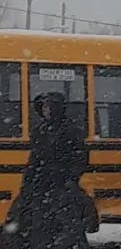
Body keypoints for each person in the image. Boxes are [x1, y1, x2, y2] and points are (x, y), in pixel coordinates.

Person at [3, 92, 97, 249]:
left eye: (49, 107)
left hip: (60, 183)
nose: (46, 110)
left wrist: (69, 178)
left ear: (58, 108)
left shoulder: (72, 131)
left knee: (68, 222)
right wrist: (27, 182)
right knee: (26, 218)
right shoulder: (39, 131)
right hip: (40, 183)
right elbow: (34, 159)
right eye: (44, 107)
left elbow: (80, 159)